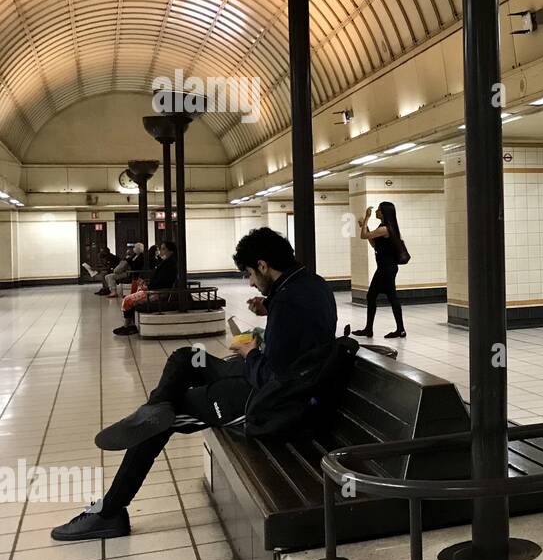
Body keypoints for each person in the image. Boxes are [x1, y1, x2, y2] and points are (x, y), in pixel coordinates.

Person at [51, 227, 337, 541]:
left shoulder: (289, 302)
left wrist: (251, 351)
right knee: (187, 357)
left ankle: (110, 511)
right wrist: (268, 310)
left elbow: (274, 378)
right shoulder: (310, 285)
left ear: (264, 265)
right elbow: (299, 339)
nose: (250, 281)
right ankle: (155, 405)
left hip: (269, 406)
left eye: (249, 274)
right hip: (277, 385)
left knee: (164, 419)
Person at [354, 200, 406, 339]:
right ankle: (374, 329)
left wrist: (366, 218)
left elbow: (363, 236)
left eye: (378, 210)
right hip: (385, 268)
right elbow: (373, 244)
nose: (376, 211)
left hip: (386, 269)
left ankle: (396, 329)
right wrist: (364, 227)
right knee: (383, 296)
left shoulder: (385, 228)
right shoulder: (384, 227)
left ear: (384, 213)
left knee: (376, 296)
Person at [113, 239, 178, 336]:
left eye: (163, 249)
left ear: (170, 251)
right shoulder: (168, 262)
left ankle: (127, 326)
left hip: (159, 292)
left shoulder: (169, 264)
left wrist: (148, 286)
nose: (161, 251)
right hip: (156, 289)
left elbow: (162, 281)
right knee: (133, 295)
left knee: (128, 299)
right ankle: (130, 324)